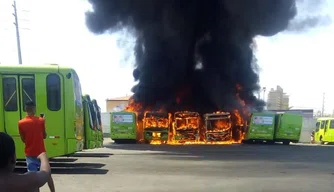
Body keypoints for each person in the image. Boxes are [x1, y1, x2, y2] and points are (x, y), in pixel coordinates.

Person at [18, 101, 55, 192]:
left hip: (29, 153)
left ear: (25, 109)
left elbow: (23, 139)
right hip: (41, 153)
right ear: (34, 109)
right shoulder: (40, 120)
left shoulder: (21, 123)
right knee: (48, 175)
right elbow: (44, 136)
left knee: (33, 179)